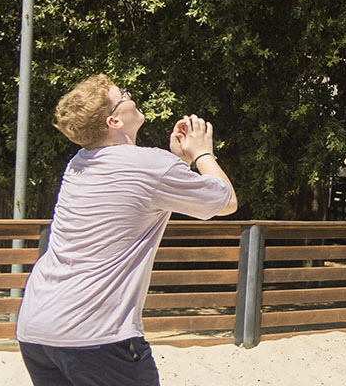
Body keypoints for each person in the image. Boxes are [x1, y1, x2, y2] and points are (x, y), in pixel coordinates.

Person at [15, 74, 238, 386]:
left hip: (37, 329)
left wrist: (177, 162)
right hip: (95, 334)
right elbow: (226, 201)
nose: (131, 97)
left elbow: (139, 191)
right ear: (114, 121)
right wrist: (202, 153)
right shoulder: (150, 166)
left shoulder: (79, 162)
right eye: (124, 95)